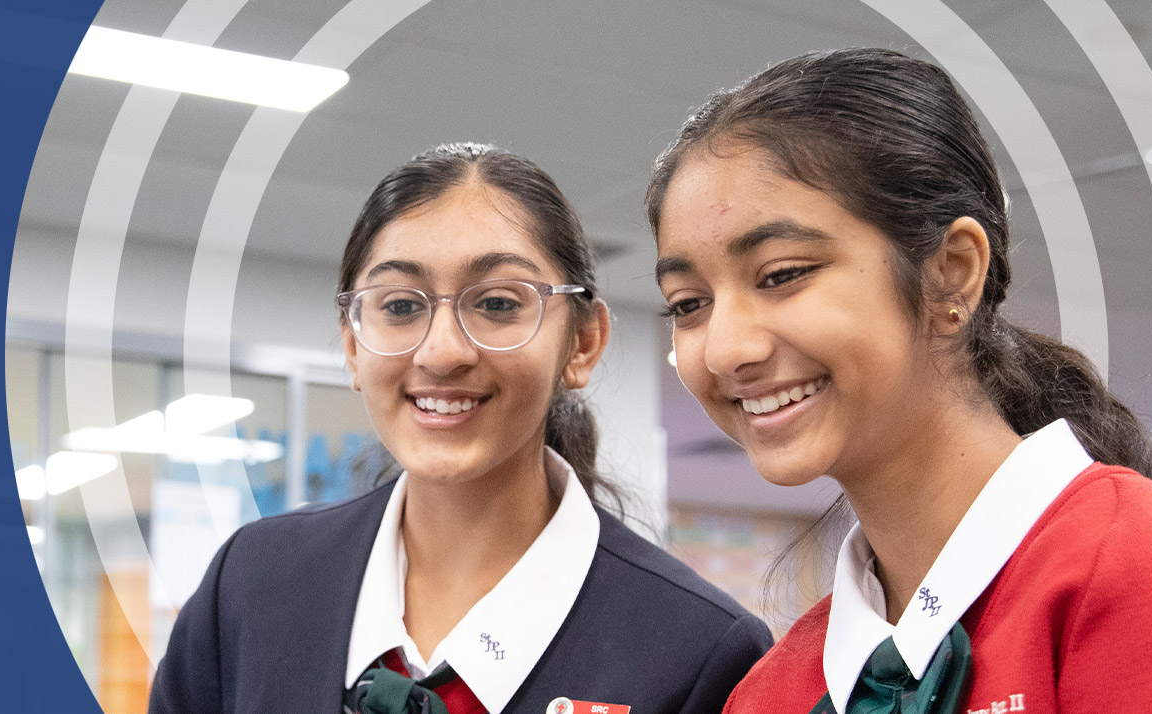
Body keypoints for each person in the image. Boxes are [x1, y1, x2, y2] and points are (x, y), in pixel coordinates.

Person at [645, 48, 1152, 714]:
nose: (724, 350)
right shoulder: (775, 691)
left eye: (782, 274)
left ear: (953, 271)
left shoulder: (1142, 574)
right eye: (689, 304)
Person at [150, 143, 771, 714]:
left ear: (582, 343)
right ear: (351, 345)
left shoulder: (700, 651)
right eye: (399, 306)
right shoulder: (253, 586)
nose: (442, 352)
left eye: (498, 303)